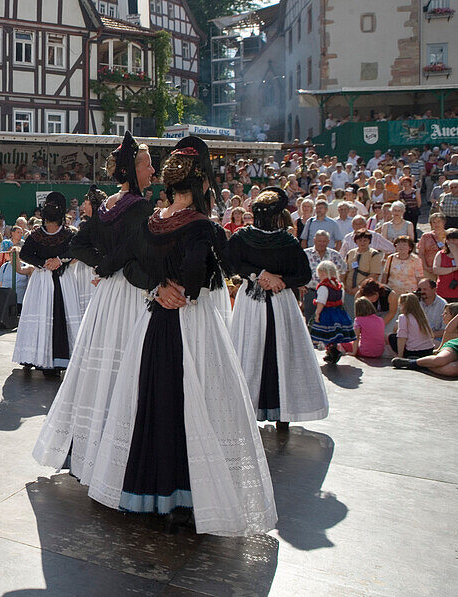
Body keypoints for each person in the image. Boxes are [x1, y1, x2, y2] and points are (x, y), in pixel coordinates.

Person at [84, 136, 276, 536]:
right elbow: (208, 272)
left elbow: (120, 262)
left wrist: (155, 286)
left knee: (153, 398)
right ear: (202, 182)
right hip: (192, 324)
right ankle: (187, 495)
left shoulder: (154, 222)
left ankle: (149, 487)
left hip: (154, 322)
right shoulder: (201, 226)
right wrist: (182, 288)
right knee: (194, 400)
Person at [33, 132, 154, 479]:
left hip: (108, 295)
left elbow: (79, 245)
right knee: (127, 366)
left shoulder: (106, 207)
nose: (153, 170)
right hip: (131, 293)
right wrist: (112, 263)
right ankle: (120, 453)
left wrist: (103, 264)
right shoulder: (141, 207)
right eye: (147, 165)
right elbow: (130, 252)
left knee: (102, 367)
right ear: (132, 169)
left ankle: (92, 446)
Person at [225, 187, 328, 429]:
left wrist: (269, 278)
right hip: (278, 303)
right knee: (279, 352)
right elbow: (303, 274)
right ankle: (279, 412)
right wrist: (270, 277)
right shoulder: (286, 241)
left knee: (257, 351)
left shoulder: (244, 237)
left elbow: (231, 264)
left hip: (255, 301)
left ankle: (257, 409)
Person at [11, 192, 80, 373]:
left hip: (63, 281)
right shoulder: (36, 235)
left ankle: (59, 358)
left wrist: (60, 260)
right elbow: (25, 254)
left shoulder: (68, 234)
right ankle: (35, 356)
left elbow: (76, 251)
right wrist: (42, 263)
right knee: (40, 315)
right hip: (42, 280)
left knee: (60, 316)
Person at [310, 260, 356, 365]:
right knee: (333, 334)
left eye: (322, 273)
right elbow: (342, 300)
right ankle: (331, 353)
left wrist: (317, 314)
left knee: (326, 335)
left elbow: (321, 302)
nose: (320, 275)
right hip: (338, 312)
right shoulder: (339, 285)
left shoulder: (323, 286)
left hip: (327, 314)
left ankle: (333, 352)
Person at [392, 303, 458, 375]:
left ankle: (424, 365)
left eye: (445, 313)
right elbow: (448, 331)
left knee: (450, 370)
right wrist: (439, 349)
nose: (442, 315)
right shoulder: (454, 329)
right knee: (440, 360)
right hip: (455, 347)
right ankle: (412, 362)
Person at [387, 292, 437, 360]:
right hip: (428, 350)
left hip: (413, 351)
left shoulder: (404, 317)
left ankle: (399, 356)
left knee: (389, 337)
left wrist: (400, 356)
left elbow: (402, 337)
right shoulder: (421, 317)